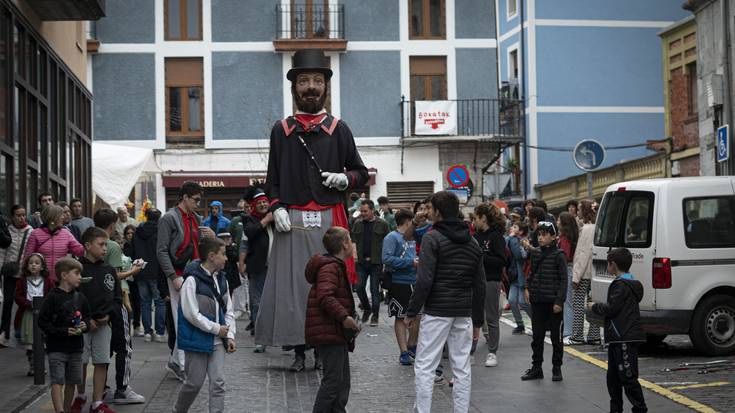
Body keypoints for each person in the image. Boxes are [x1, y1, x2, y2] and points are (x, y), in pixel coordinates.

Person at [256, 48, 369, 372]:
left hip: (330, 220)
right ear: (294, 87)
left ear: (326, 87)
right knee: (293, 289)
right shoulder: (282, 130)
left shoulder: (339, 128)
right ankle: (298, 350)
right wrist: (276, 206)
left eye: (317, 80)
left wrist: (344, 178)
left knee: (327, 287)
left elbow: (361, 173)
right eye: (304, 80)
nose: (310, 87)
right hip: (291, 221)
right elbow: (272, 179)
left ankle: (326, 346)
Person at [406, 191, 486, 413]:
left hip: (437, 311)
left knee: (425, 366)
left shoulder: (433, 238)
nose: (427, 212)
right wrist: (478, 320)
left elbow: (424, 280)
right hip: (464, 312)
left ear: (438, 212)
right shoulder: (472, 243)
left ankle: (422, 410)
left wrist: (412, 311)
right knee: (462, 367)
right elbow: (479, 286)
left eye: (430, 209)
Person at [157, 181, 215, 381]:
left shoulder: (195, 218)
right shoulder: (169, 218)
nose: (198, 203)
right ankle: (181, 364)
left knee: (187, 315)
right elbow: (161, 250)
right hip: (179, 273)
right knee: (181, 317)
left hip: (192, 273)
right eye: (196, 199)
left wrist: (210, 236)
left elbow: (199, 246)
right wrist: (173, 276)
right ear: (185, 197)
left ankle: (176, 362)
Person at [173, 237, 236, 413]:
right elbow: (191, 314)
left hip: (218, 340)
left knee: (218, 383)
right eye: (223, 254)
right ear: (211, 256)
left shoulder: (223, 279)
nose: (226, 258)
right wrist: (217, 329)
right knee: (194, 383)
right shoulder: (191, 281)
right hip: (197, 339)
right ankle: (178, 410)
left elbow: (228, 310)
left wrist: (229, 335)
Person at [305, 227, 360, 413]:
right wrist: (344, 317)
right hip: (329, 331)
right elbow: (325, 296)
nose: (352, 243)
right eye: (350, 239)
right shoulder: (330, 267)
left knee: (341, 383)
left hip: (334, 332)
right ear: (344, 244)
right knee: (333, 382)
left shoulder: (334, 265)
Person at [95, 208, 146, 405]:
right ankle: (122, 389)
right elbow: (114, 276)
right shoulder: (112, 245)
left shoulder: (89, 243)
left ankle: (103, 389)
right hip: (115, 299)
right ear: (112, 225)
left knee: (103, 348)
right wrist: (134, 270)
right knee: (124, 346)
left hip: (97, 301)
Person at [588, 248, 648, 413]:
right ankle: (615, 409)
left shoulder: (621, 285)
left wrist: (595, 306)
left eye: (608, 263)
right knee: (613, 377)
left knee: (627, 376)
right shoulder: (628, 283)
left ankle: (640, 408)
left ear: (612, 265)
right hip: (618, 337)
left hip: (623, 337)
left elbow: (612, 308)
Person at [73, 227, 122, 413]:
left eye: (106, 245)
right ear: (87, 245)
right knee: (81, 362)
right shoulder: (77, 268)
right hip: (82, 325)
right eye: (101, 245)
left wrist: (109, 315)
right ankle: (80, 395)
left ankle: (97, 402)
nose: (105, 249)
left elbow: (117, 298)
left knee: (102, 362)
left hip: (104, 325)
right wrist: (85, 319)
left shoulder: (109, 269)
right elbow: (72, 298)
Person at [39, 257, 91, 413]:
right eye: (77, 273)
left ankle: (67, 409)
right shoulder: (52, 297)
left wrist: (85, 325)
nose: (80, 277)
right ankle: (59, 410)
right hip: (57, 348)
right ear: (64, 275)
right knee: (57, 380)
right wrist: (62, 331)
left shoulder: (80, 297)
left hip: (76, 348)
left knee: (72, 381)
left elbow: (88, 317)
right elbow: (42, 321)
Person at [521, 221, 567, 382]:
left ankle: (556, 367)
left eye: (545, 234)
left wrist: (559, 302)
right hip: (538, 301)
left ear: (554, 237)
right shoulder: (536, 253)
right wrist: (527, 287)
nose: (541, 238)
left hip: (553, 303)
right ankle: (537, 368)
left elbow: (563, 280)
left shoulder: (559, 255)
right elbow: (531, 273)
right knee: (537, 337)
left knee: (556, 337)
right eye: (539, 234)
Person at [472, 203, 507, 368]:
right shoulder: (475, 236)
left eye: (476, 218)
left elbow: (501, 260)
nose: (473, 221)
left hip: (491, 280)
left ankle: (492, 352)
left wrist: (480, 257)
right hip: (474, 280)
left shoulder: (496, 237)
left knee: (491, 318)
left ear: (483, 218)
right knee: (473, 317)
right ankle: (470, 351)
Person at [381, 209, 418, 366]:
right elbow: (386, 258)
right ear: (408, 221)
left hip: (416, 281)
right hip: (399, 282)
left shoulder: (414, 237)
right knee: (401, 317)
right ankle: (403, 351)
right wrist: (410, 263)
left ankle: (412, 346)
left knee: (418, 316)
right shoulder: (391, 237)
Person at [242, 187, 273, 350]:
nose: (263, 204)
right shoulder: (249, 219)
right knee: (257, 303)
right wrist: (266, 220)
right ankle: (261, 338)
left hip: (276, 268)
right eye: (259, 203)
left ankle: (276, 335)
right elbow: (250, 233)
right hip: (258, 268)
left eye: (265, 202)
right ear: (254, 205)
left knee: (276, 302)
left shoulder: (276, 218)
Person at [14, 253, 55, 376]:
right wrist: (27, 303)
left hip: (43, 315)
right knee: (30, 342)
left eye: (37, 263)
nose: (33, 265)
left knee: (42, 341)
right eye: (31, 263)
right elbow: (17, 296)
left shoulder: (48, 281)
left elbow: (52, 294)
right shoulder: (22, 282)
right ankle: (33, 365)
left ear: (42, 267)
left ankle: (40, 365)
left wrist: (45, 304)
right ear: (26, 266)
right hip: (28, 314)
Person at [23, 205, 85, 284]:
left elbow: (79, 251)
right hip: (40, 280)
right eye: (61, 215)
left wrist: (88, 244)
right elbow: (27, 257)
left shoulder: (66, 233)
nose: (63, 217)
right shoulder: (35, 234)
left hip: (61, 279)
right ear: (52, 218)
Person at [351, 199, 390, 326]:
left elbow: (387, 242)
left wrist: (386, 261)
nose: (362, 213)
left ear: (372, 210)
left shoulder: (382, 224)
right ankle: (367, 309)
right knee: (359, 287)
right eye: (361, 211)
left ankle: (375, 315)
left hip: (376, 262)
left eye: (365, 211)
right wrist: (354, 257)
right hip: (361, 262)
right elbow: (353, 241)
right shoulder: (357, 223)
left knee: (374, 290)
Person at [0, 205, 32, 347]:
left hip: (24, 275)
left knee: (24, 303)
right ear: (12, 217)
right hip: (10, 274)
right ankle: (4, 333)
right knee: (7, 302)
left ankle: (22, 330)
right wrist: (1, 268)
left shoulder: (31, 231)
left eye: (23, 215)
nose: (21, 218)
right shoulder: (7, 231)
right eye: (18, 215)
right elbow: (2, 252)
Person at [132, 208, 167, 342]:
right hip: (157, 271)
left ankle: (147, 332)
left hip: (141, 269)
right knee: (159, 302)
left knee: (145, 303)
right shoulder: (160, 232)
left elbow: (134, 250)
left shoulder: (137, 232)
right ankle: (159, 332)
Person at [571, 200, 602, 345]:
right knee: (592, 302)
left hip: (584, 273)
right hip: (595, 273)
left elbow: (583, 253)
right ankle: (594, 335)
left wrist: (576, 276)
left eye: (579, 209)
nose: (577, 212)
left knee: (578, 302)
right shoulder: (598, 227)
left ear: (585, 211)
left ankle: (577, 335)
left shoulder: (587, 229)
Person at [557, 212, 578, 343]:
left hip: (567, 269)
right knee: (570, 301)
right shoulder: (571, 237)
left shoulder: (564, 239)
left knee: (567, 302)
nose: (557, 222)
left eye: (559, 220)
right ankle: (568, 331)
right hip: (570, 269)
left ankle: (568, 333)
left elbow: (564, 256)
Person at [506, 221, 531, 334]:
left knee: (523, 302)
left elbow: (519, 255)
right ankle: (520, 324)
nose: (512, 228)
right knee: (511, 300)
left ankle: (537, 321)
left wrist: (511, 239)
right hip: (514, 275)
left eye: (515, 227)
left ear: (520, 231)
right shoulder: (512, 239)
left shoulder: (522, 241)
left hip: (521, 276)